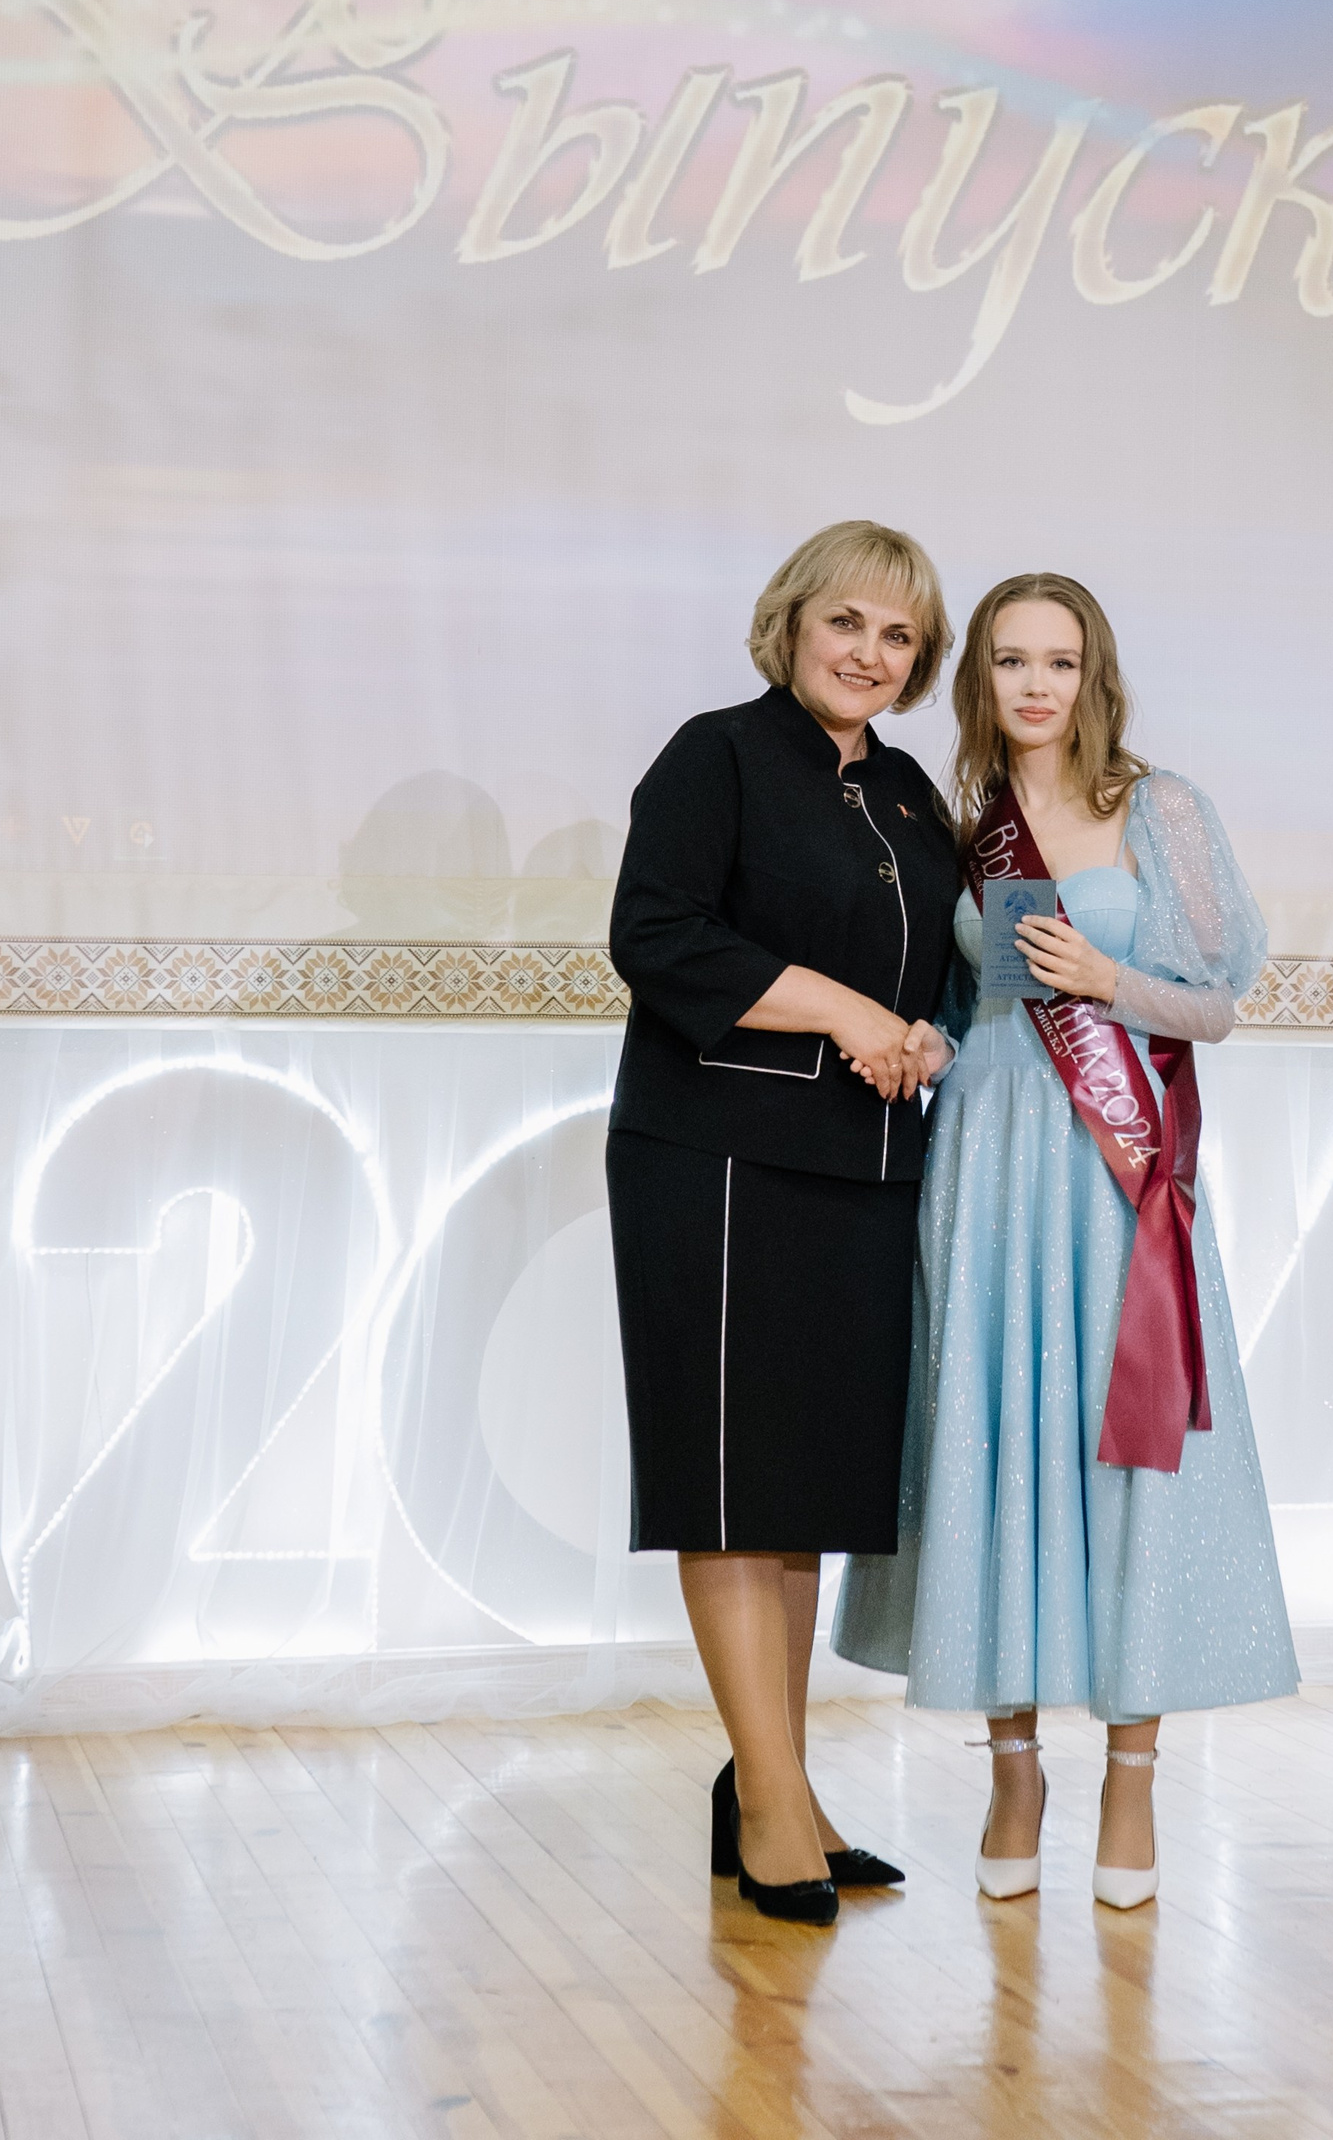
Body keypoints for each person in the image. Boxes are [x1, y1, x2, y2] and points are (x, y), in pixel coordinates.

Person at [834, 573, 1296, 1908]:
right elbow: (952, 1002)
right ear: (978, 678)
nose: (1037, 685)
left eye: (1061, 661)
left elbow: (1217, 1004)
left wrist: (1113, 982)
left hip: (1112, 1176)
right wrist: (921, 1043)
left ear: (1096, 677)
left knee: (1116, 1454)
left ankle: (1132, 1781)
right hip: (986, 1164)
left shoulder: (1161, 808)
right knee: (1001, 1445)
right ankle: (1014, 1770)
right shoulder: (955, 824)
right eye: (1011, 661)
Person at [606, 520, 959, 1923]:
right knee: (734, 1489)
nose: (869, 654)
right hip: (720, 1162)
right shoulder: (718, 755)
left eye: (899, 636)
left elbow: (934, 971)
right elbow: (659, 936)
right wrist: (850, 1012)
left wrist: (919, 1036)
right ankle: (767, 1800)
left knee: (801, 1495)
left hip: (865, 1173)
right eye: (847, 623)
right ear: (793, 622)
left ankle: (779, 1782)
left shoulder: (912, 792)